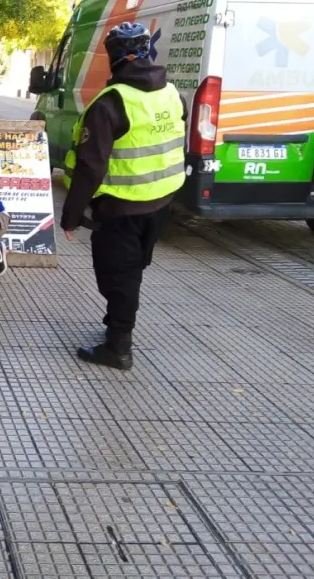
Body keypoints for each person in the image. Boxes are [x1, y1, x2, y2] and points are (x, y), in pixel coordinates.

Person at [60, 22, 186, 371]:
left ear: (112, 56)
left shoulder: (110, 104)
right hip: (162, 201)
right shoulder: (172, 93)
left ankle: (118, 347)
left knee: (118, 276)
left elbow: (90, 167)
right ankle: (116, 323)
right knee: (131, 271)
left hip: (121, 208)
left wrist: (71, 217)